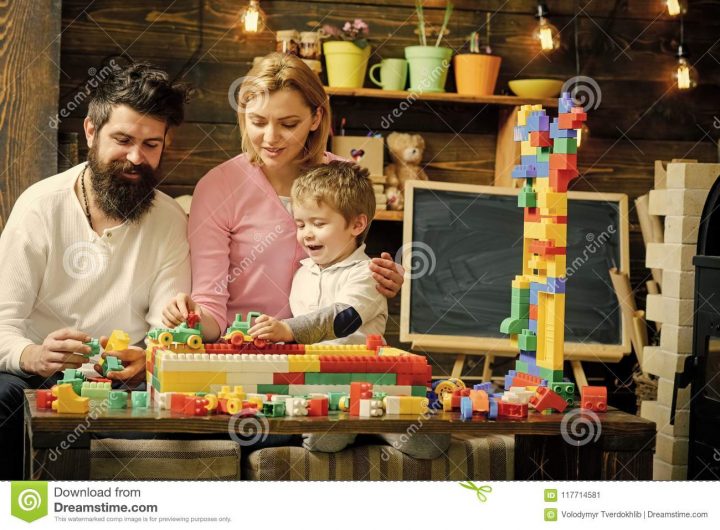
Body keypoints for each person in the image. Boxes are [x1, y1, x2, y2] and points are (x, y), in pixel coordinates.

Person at [163, 53, 449, 459]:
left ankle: (364, 420)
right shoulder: (219, 187)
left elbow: (351, 264)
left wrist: (384, 279)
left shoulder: (341, 179)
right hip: (254, 364)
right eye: (257, 121)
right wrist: (191, 318)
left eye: (288, 123)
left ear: (316, 117)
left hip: (333, 356)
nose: (270, 137)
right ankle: (353, 422)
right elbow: (212, 305)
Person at [0, 63, 192, 479]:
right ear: (91, 131)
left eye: (151, 144)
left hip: (125, 384)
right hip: (35, 379)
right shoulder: (39, 207)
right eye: (122, 140)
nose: (136, 158)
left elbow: (168, 328)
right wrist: (32, 355)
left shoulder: (170, 220)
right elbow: (2, 324)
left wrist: (148, 356)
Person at [247, 160, 387, 345]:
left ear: (357, 225)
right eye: (300, 225)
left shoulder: (368, 274)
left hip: (359, 372)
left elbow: (343, 319)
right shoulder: (303, 273)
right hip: (312, 370)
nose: (307, 234)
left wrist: (288, 329)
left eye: (319, 224)